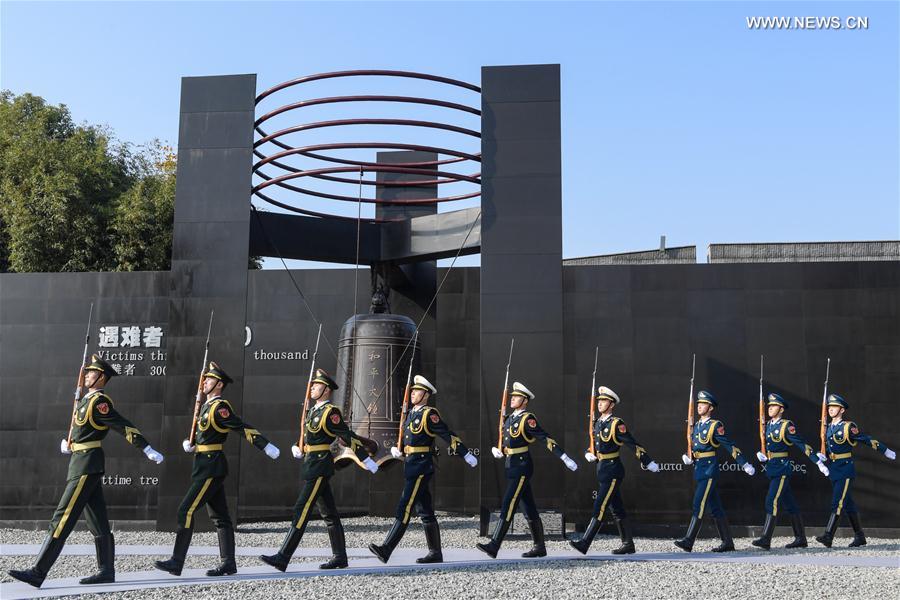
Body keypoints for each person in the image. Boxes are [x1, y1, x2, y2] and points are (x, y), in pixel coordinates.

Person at [8, 355, 164, 589]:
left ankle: (38, 572)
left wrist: (146, 448)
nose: (86, 375)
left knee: (62, 517)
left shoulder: (99, 402)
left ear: (101, 377)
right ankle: (106, 571)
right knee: (98, 520)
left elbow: (123, 425)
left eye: (91, 372)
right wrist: (70, 444)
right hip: (81, 462)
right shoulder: (83, 401)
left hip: (86, 466)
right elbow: (83, 432)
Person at [155, 361, 279, 577]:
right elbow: (206, 434)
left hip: (211, 466)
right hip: (204, 464)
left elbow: (240, 427)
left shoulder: (220, 407)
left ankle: (177, 561)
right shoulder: (206, 406)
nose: (204, 382)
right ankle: (228, 563)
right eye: (204, 379)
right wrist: (193, 443)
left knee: (186, 510)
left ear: (219, 384)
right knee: (221, 517)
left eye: (209, 380)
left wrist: (265, 445)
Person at [369, 375, 478, 564]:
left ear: (425, 394)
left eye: (417, 391)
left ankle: (386, 549)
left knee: (405, 506)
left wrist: (465, 454)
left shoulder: (429, 414)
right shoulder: (411, 414)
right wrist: (399, 449)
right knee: (425, 510)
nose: (413, 394)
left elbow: (448, 435)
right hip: (410, 465)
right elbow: (408, 440)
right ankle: (435, 553)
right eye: (412, 391)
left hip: (421, 466)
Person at [476, 381, 578, 559]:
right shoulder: (509, 419)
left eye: (516, 397)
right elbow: (508, 442)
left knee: (509, 504)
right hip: (511, 465)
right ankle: (540, 547)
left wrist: (564, 457)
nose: (512, 399)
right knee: (528, 507)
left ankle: (494, 545)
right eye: (512, 396)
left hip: (522, 466)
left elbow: (545, 438)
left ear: (524, 400)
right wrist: (500, 450)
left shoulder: (527, 419)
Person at [570, 386, 660, 555]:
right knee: (616, 508)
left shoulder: (616, 424)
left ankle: (585, 543)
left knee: (600, 506)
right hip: (602, 469)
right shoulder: (597, 423)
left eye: (603, 401)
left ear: (611, 404)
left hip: (613, 470)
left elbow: (632, 444)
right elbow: (594, 446)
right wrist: (589, 453)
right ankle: (628, 544)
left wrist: (647, 461)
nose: (599, 404)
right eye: (599, 401)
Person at [674, 390, 755, 553]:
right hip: (699, 469)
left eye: (703, 404)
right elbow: (695, 447)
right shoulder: (696, 425)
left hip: (709, 471)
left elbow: (729, 445)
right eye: (698, 404)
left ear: (710, 407)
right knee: (716, 507)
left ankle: (689, 541)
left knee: (698, 504)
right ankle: (728, 543)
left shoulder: (715, 426)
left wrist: (744, 463)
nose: (699, 406)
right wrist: (690, 457)